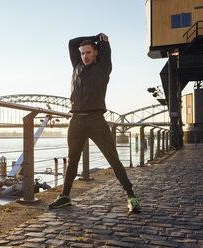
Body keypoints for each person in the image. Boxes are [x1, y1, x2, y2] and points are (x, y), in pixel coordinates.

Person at [49, 33, 141, 213]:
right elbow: (71, 43)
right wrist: (93, 35)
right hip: (76, 120)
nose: (84, 56)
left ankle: (131, 196)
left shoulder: (103, 68)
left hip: (96, 120)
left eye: (88, 52)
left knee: (113, 159)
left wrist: (102, 39)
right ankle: (65, 197)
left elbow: (104, 47)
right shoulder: (76, 66)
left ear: (96, 53)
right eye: (82, 53)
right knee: (73, 159)